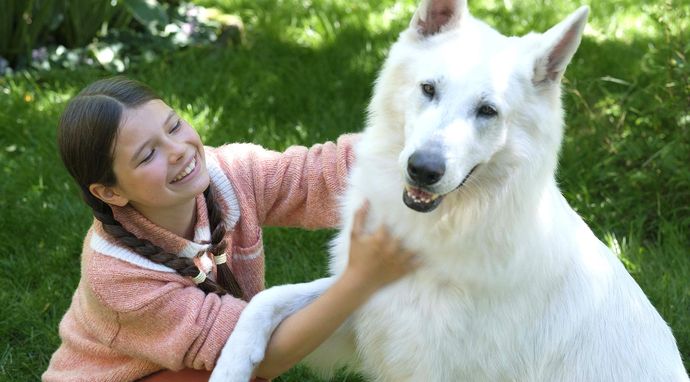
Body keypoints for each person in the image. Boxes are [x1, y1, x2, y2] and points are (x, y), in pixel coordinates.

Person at [42, 77, 418, 382]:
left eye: (174, 126)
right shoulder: (118, 277)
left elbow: (318, 177)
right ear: (111, 192)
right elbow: (257, 357)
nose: (177, 150)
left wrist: (413, 142)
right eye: (148, 154)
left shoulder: (233, 174)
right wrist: (360, 281)